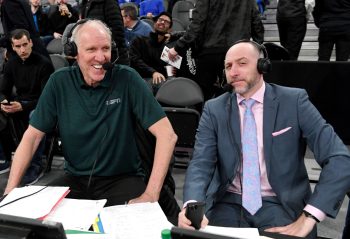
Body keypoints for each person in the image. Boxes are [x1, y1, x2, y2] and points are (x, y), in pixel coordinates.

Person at [178, 40, 350, 238]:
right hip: (228, 203)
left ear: (262, 66)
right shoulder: (214, 109)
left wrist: (310, 215)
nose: (233, 72)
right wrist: (191, 204)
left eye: (242, 63)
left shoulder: (294, 101)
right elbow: (201, 162)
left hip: (281, 204)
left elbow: (339, 158)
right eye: (228, 66)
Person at [3, 20, 177, 209]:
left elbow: (167, 135)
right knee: (38, 228)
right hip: (74, 180)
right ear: (73, 52)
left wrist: (151, 194)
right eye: (91, 49)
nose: (101, 57)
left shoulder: (128, 79)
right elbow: (32, 138)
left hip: (122, 179)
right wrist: (9, 192)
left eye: (105, 48)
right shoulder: (58, 82)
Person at [168, 0, 264, 101]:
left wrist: (177, 47)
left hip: (210, 51)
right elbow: (256, 21)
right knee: (237, 96)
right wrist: (257, 47)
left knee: (206, 97)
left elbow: (197, 23)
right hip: (237, 51)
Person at [0, 29, 54, 183]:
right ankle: (4, 159)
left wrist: (23, 107)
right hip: (20, 103)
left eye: (25, 44)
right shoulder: (11, 63)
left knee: (35, 115)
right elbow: (3, 90)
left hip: (41, 106)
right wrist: (3, 101)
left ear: (31, 42)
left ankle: (34, 165)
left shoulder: (44, 64)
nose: (22, 50)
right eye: (18, 46)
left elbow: (47, 99)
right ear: (13, 46)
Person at [130, 12, 195, 93]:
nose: (162, 22)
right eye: (160, 19)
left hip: (163, 81)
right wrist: (153, 72)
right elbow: (134, 60)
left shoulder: (171, 47)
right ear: (155, 23)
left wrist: (173, 35)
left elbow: (189, 33)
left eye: (166, 22)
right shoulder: (139, 40)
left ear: (169, 29)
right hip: (143, 79)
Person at [80, 0, 130, 65]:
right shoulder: (85, 2)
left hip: (113, 58)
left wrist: (103, 48)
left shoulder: (110, 2)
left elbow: (118, 33)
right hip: (95, 54)